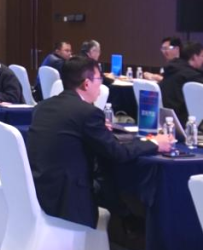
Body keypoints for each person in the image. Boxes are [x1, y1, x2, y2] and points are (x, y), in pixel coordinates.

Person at [27, 55, 172, 229]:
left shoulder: (42, 107)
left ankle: (126, 223)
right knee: (114, 180)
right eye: (99, 79)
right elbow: (117, 153)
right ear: (87, 84)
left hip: (41, 189)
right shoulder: (87, 113)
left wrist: (97, 129)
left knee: (107, 176)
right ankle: (131, 225)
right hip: (69, 198)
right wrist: (155, 143)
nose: (101, 85)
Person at [159, 41, 203, 124]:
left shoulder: (171, 70)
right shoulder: (191, 76)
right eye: (202, 56)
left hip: (165, 118)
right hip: (185, 120)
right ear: (194, 57)